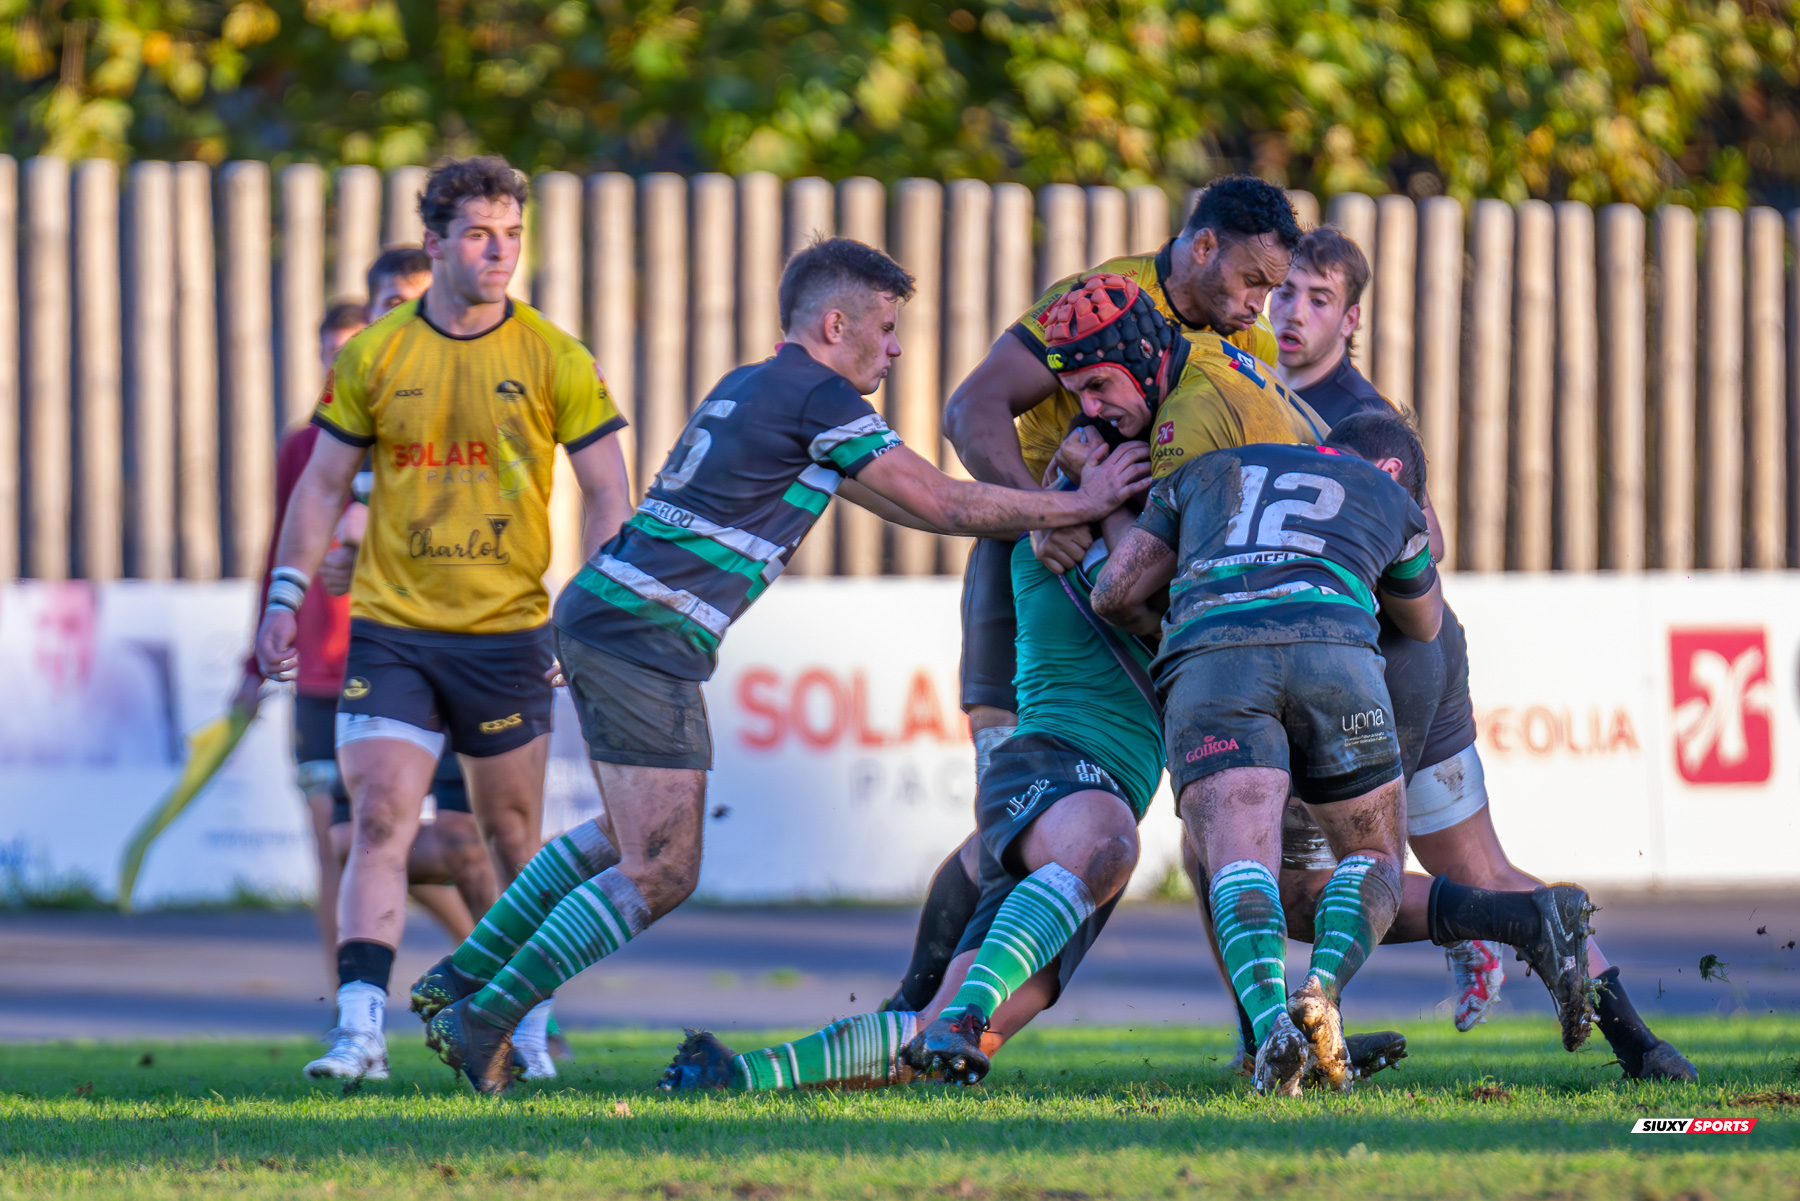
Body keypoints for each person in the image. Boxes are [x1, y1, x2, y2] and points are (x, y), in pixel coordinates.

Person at [406, 236, 1152, 1093]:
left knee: (624, 832)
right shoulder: (819, 396)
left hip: (609, 610)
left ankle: (463, 974)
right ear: (836, 324)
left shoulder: (754, 384)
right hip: (647, 632)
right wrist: (1080, 501)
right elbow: (942, 498)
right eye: (886, 324)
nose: (897, 346)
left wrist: (1039, 505)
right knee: (661, 866)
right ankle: (489, 1013)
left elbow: (910, 507)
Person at [1262, 226, 1695, 1082]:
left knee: (1312, 890)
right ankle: (1642, 1046)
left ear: (1351, 319)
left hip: (1385, 661)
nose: (1292, 313)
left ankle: (1341, 1021)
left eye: (1318, 300)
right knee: (1481, 869)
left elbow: (1422, 543)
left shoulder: (1355, 416)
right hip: (1420, 653)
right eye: (1284, 293)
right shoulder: (1276, 397)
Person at [255, 156, 634, 1082]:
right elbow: (319, 486)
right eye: (478, 234)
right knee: (376, 822)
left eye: (511, 234)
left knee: (510, 842)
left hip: (507, 636)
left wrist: (585, 607)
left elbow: (607, 490)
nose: (498, 252)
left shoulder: (554, 353)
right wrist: (286, 594)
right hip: (391, 633)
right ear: (436, 243)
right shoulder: (376, 354)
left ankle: (530, 1029)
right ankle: (359, 1036)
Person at [1093, 414, 1593, 1096]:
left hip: (1211, 662)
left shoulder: (1202, 472)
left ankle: (1274, 1031)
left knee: (1238, 865)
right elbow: (1424, 621)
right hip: (1335, 656)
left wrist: (1175, 628)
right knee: (1374, 859)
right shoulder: (1386, 494)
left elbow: (1113, 591)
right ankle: (1320, 992)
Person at [235, 298, 495, 983]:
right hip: (320, 671)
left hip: (403, 658)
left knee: (441, 845)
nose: (339, 363)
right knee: (338, 844)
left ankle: (508, 983)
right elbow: (281, 550)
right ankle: (346, 1007)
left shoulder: (421, 435)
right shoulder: (304, 445)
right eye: (330, 352)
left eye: (350, 349)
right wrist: (253, 655)